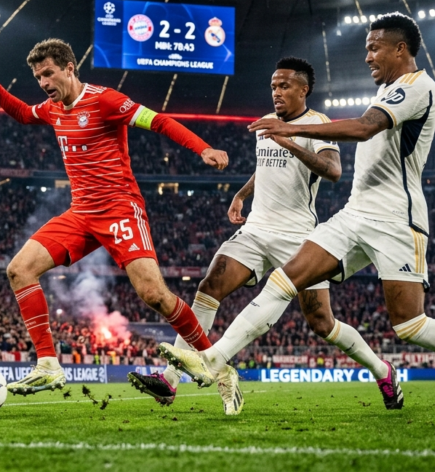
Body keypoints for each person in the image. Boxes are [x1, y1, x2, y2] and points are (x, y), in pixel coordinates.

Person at [162, 13, 435, 419]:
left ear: (400, 49)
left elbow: (363, 129)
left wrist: (291, 133)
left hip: (396, 219)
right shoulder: (388, 90)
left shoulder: (419, 87)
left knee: (409, 325)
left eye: (375, 48)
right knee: (283, 281)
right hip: (354, 214)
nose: (368, 57)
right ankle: (213, 360)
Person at [132, 57, 401, 413]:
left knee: (322, 322)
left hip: (298, 238)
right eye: (273, 86)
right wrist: (242, 194)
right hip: (256, 230)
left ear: (304, 89)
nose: (276, 92)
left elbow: (333, 171)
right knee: (210, 285)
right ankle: (170, 380)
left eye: (284, 86)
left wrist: (290, 141)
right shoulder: (265, 124)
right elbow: (267, 169)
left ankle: (382, 371)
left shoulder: (317, 124)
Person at [0, 39, 229, 395]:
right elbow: (23, 113)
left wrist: (203, 148)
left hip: (119, 208)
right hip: (81, 214)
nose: (43, 83)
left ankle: (214, 363)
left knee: (154, 294)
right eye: (38, 77)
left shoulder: (105, 100)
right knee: (19, 269)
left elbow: (159, 121)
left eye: (48, 73)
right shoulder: (52, 108)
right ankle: (48, 365)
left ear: (69, 68)